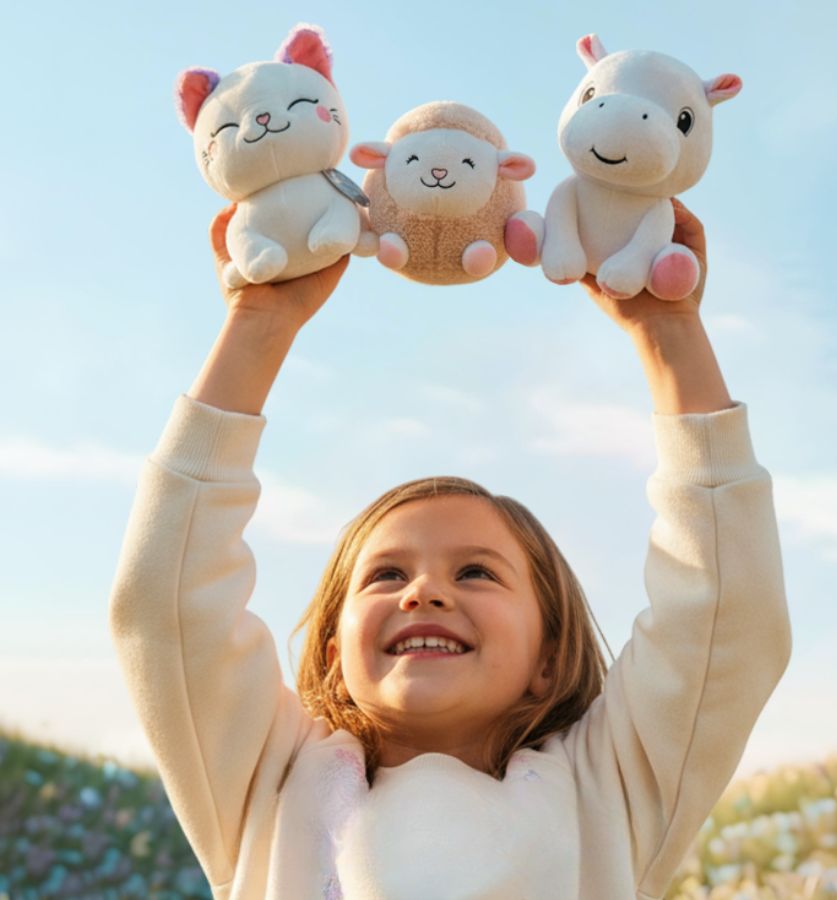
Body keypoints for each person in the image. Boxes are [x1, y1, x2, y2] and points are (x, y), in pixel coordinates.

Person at [109, 198, 792, 899]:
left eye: (475, 571)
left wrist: (668, 333)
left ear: (548, 656)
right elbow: (168, 604)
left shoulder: (607, 791)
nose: (423, 592)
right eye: (384, 575)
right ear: (332, 654)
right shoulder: (269, 781)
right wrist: (258, 323)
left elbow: (724, 614)